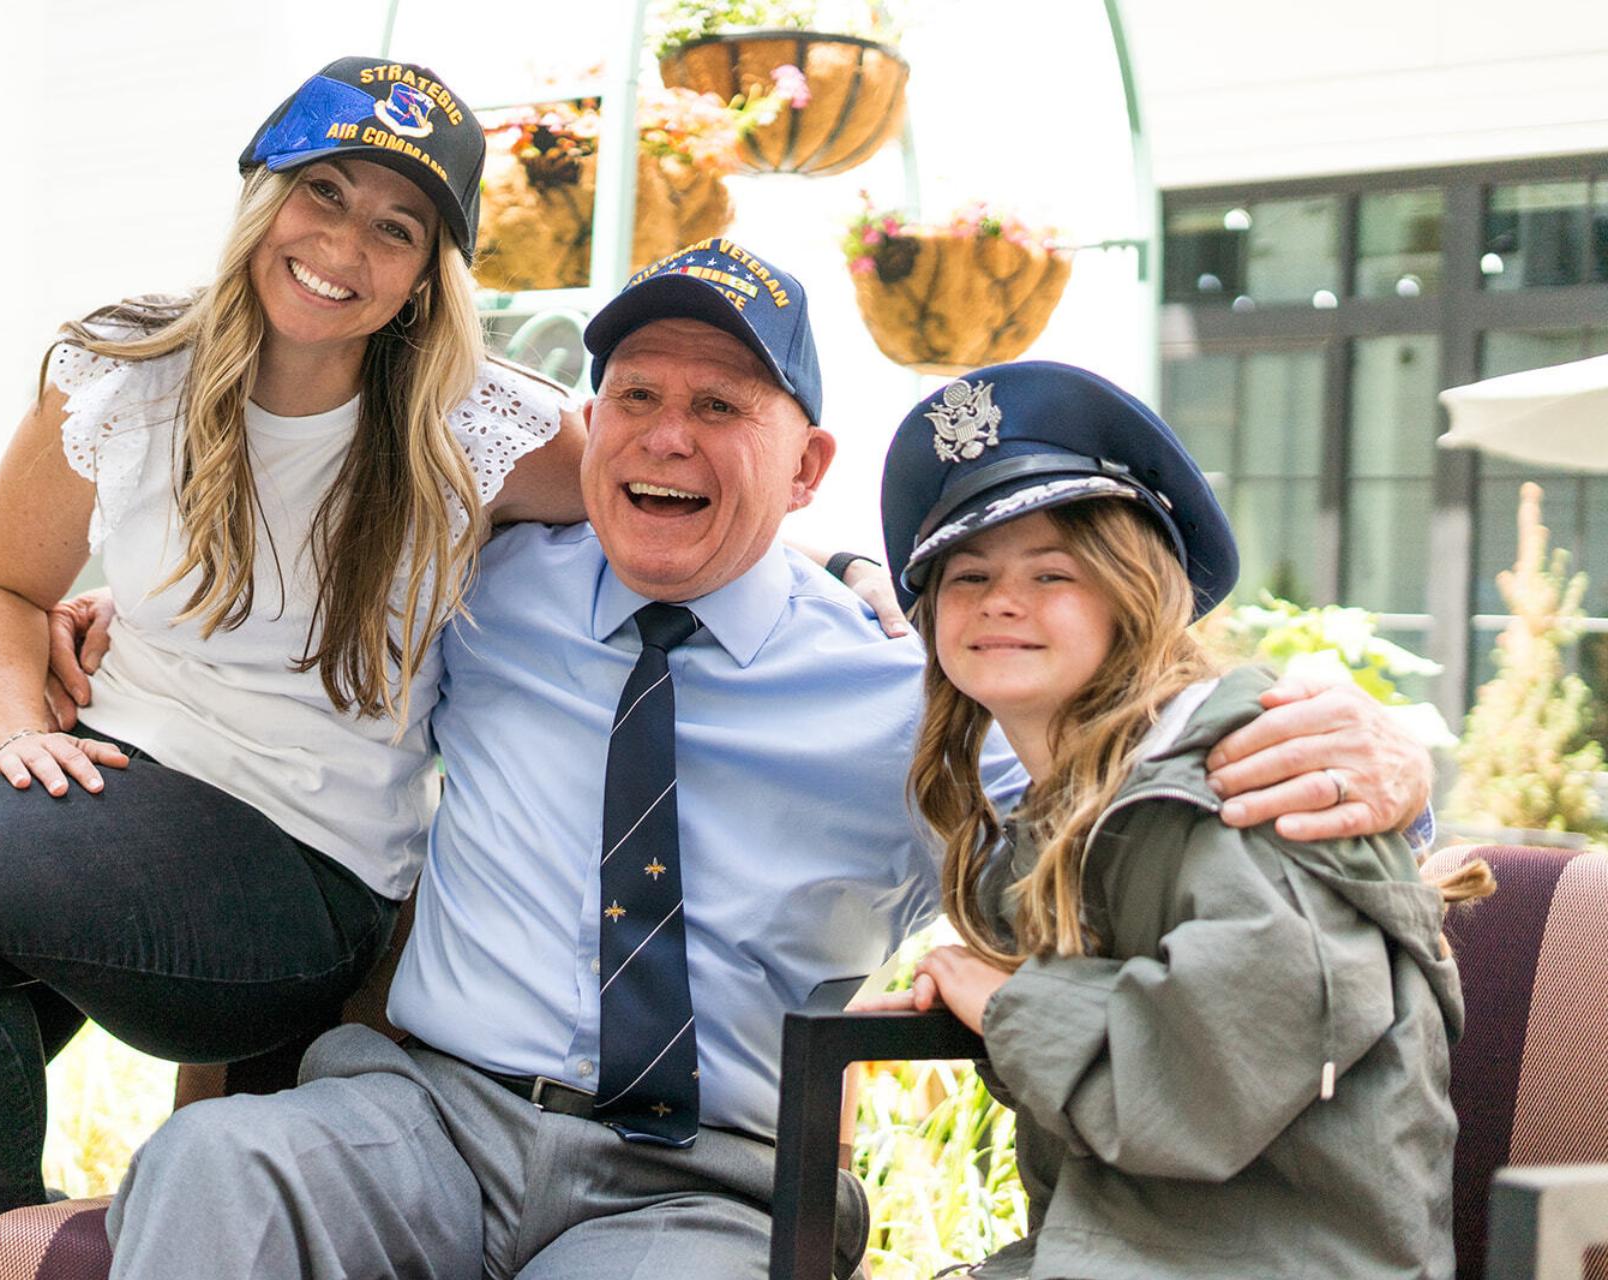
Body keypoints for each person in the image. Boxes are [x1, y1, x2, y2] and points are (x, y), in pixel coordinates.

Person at [91, 241, 1440, 1280]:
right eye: (636, 396)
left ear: (808, 467)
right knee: (221, 1163)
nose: (667, 434)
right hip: (432, 1117)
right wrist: (102, 631)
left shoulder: (920, 697)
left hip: (698, 1182)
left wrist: (1389, 767)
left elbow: (1137, 789)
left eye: (721, 404)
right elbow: (272, 639)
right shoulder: (482, 592)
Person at [0, 55, 588, 1280]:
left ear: (428, 273)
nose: (343, 245)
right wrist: (18, 728)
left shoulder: (474, 423)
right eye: (322, 193)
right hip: (110, 800)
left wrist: (840, 573)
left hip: (301, 867)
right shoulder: (126, 372)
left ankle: (22, 1252)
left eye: (396, 227)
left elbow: (665, 503)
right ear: (262, 194)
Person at [867, 361, 1491, 1278]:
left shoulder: (1254, 779)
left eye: (1053, 571)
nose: (1001, 600)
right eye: (968, 574)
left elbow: (1202, 1091)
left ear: (1135, 595)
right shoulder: (1065, 816)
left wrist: (1009, 1004)